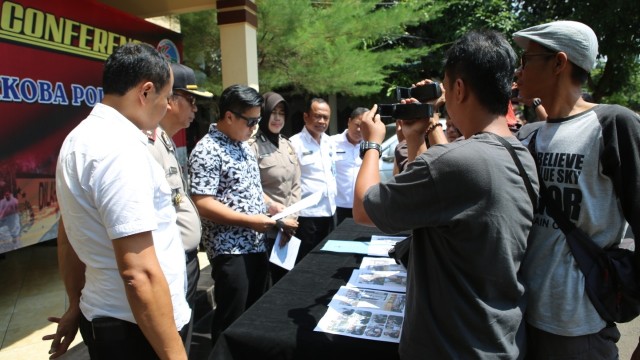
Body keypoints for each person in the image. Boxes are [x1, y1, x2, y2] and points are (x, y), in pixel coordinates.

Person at [353, 30, 538, 358]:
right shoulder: (518, 152)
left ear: (459, 88)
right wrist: (415, 137)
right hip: (496, 337)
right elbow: (438, 198)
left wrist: (371, 142)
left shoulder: (459, 160)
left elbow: (364, 209)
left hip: (450, 348)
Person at [52, 43, 190, 359]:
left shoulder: (80, 138)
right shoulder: (119, 151)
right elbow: (138, 273)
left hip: (113, 318)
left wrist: (75, 302)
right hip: (137, 331)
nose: (169, 107)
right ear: (146, 92)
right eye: (168, 98)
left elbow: (68, 237)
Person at [513, 20, 640, 359]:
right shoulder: (527, 136)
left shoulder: (612, 124)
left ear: (559, 63)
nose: (518, 70)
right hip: (521, 319)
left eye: (526, 59)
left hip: (578, 328)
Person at [188, 84, 276, 345]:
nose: (254, 128)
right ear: (229, 116)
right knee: (231, 321)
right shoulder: (207, 150)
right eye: (251, 121)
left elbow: (249, 189)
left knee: (255, 317)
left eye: (258, 121)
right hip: (231, 250)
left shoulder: (244, 146)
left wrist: (272, 206)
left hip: (255, 244)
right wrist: (251, 221)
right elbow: (202, 202)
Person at [146, 62, 212, 354]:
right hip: (167, 265)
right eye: (192, 101)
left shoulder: (166, 141)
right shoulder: (147, 144)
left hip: (184, 261)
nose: (196, 109)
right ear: (171, 100)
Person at [248, 91, 300, 284]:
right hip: (264, 230)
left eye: (282, 113)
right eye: (273, 112)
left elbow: (296, 185)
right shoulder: (252, 146)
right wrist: (279, 221)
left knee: (285, 284)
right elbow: (252, 188)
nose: (277, 118)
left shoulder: (287, 145)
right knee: (266, 285)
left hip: (288, 230)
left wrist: (291, 221)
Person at [289, 98, 337, 263]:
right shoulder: (294, 144)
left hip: (330, 211)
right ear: (306, 117)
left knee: (326, 260)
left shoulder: (329, 142)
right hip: (307, 216)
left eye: (326, 117)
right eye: (317, 116)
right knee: (307, 261)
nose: (322, 121)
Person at [331, 107, 368, 224]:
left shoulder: (370, 147)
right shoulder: (331, 143)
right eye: (357, 124)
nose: (359, 129)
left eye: (363, 126)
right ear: (349, 122)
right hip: (337, 206)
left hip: (362, 206)